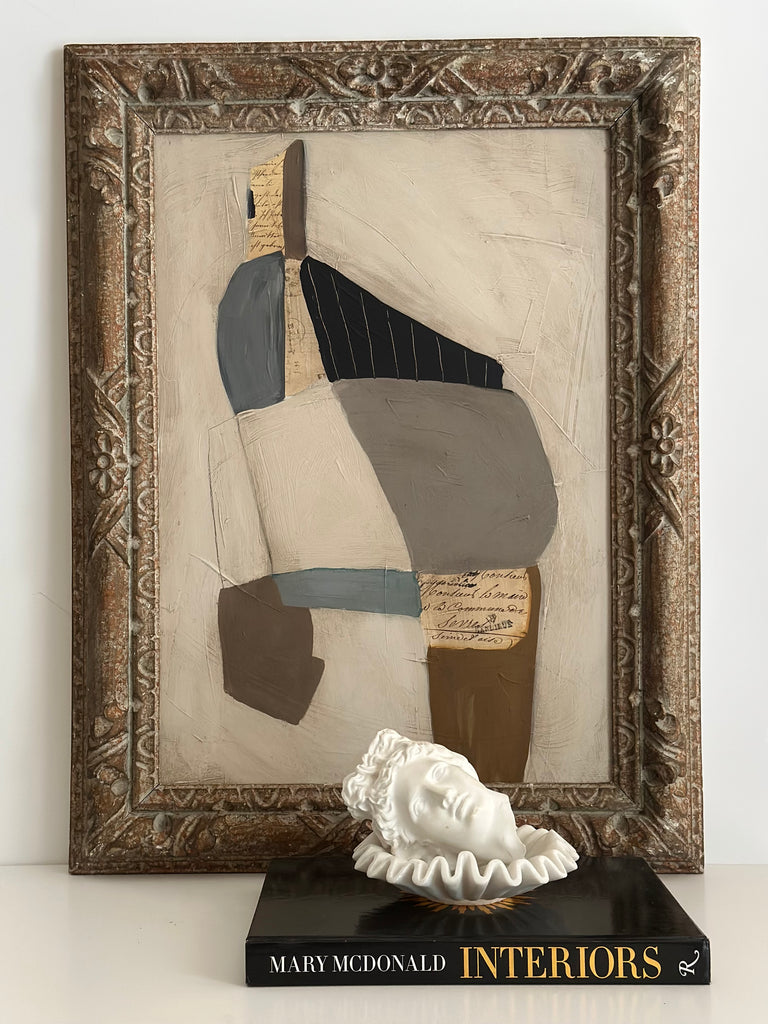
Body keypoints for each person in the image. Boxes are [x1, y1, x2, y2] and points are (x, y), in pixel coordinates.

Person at [342, 728, 526, 867]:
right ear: (421, 844)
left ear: (462, 767)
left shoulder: (540, 852)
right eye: (420, 805)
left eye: (439, 774)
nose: (445, 795)